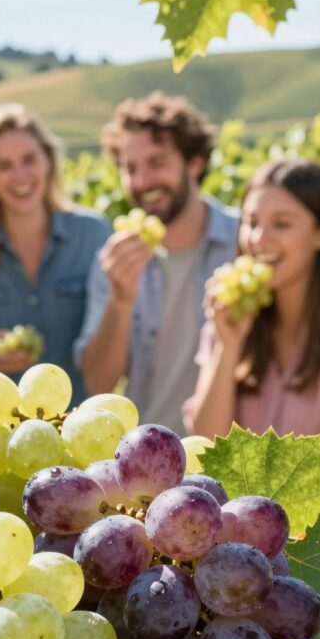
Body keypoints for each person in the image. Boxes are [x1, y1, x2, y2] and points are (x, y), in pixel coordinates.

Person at [76, 92, 238, 430]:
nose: (141, 181)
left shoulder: (245, 242)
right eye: (130, 168)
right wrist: (120, 301)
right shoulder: (114, 260)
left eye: (157, 162)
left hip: (232, 449)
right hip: (149, 453)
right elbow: (98, 383)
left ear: (195, 163)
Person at [0, 103, 110, 399]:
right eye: (4, 166)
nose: (21, 175)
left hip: (79, 419)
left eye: (29, 159)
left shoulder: (92, 235)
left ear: (48, 161)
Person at [184, 159, 320, 444]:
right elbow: (207, 445)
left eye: (281, 224)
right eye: (251, 223)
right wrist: (228, 349)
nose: (258, 239)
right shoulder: (228, 321)